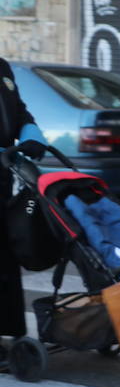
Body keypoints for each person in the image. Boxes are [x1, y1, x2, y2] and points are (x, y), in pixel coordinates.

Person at [0, 55, 46, 358]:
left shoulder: (2, 68)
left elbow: (17, 110)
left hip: (2, 176)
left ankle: (12, 329)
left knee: (4, 257)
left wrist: (31, 133)